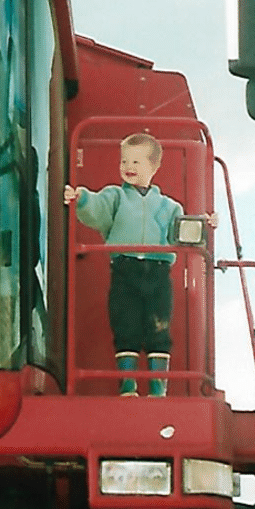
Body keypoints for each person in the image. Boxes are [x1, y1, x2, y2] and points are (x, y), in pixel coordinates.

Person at [64, 133, 203, 396]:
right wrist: (81, 197)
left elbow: (184, 231)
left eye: (137, 162)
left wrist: (207, 223)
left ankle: (157, 386)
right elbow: (97, 207)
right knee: (125, 324)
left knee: (158, 327)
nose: (128, 166)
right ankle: (128, 384)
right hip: (124, 268)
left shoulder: (168, 206)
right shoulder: (115, 196)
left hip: (158, 271)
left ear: (154, 167)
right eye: (124, 160)